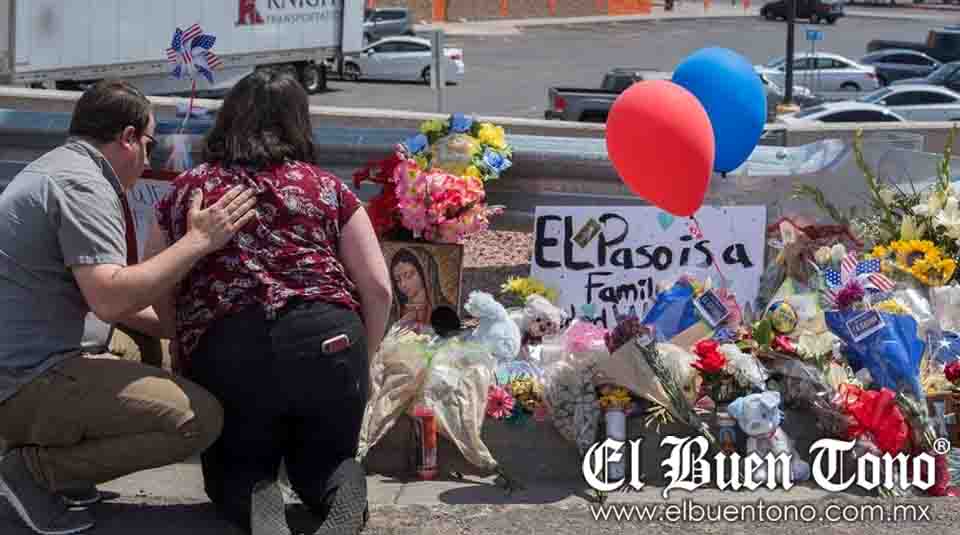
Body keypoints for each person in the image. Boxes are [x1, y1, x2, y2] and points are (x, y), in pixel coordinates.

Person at [0, 80, 256, 535]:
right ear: (128, 137)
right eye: (150, 145)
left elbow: (96, 297)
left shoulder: (58, 168)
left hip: (20, 359)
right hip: (20, 381)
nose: (150, 160)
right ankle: (37, 471)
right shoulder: (83, 185)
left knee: (144, 348)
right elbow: (110, 297)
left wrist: (173, 325)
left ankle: (65, 467)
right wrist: (199, 241)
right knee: (198, 419)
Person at [147, 69, 392, 535]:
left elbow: (157, 279)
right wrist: (365, 353)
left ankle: (260, 502)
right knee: (327, 463)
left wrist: (179, 341)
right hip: (330, 338)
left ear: (228, 119)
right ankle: (340, 493)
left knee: (238, 466)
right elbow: (378, 287)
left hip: (230, 345)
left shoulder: (189, 189)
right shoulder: (328, 188)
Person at [389, 247, 453, 326]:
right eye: (397, 280)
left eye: (408, 276)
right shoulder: (394, 313)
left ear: (425, 273)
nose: (403, 284)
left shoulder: (446, 310)